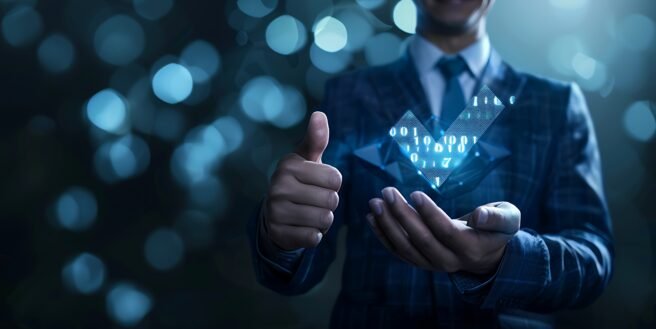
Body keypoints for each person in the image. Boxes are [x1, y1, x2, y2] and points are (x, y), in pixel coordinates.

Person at [248, 0, 614, 327]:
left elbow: (592, 259)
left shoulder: (555, 104)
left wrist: (506, 258)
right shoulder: (350, 95)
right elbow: (300, 262)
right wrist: (282, 235)